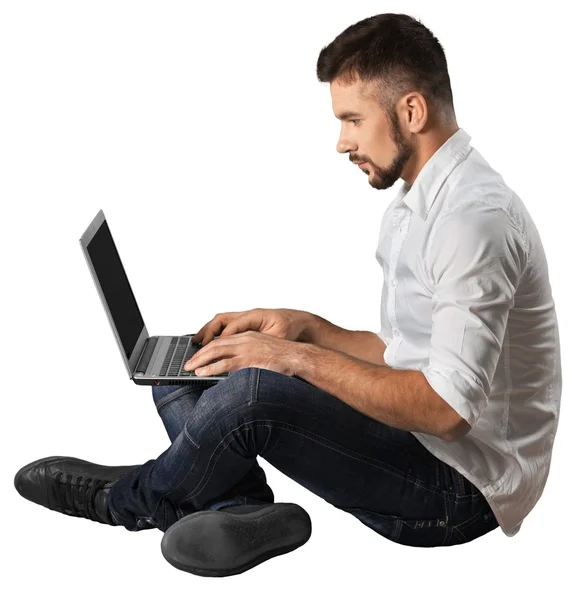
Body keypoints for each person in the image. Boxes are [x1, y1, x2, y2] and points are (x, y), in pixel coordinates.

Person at [14, 12, 562, 577]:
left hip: (460, 490)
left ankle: (128, 499)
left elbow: (445, 409)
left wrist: (293, 360)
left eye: (352, 119)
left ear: (412, 111)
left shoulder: (472, 222)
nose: (341, 142)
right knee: (190, 370)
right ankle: (241, 507)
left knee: (252, 390)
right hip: (420, 440)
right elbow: (407, 357)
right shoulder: (415, 203)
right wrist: (304, 329)